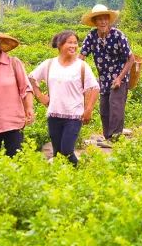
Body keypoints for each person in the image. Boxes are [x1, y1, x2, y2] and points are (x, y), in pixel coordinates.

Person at [28, 30, 99, 167]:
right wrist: (40, 96)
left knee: (66, 151)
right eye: (69, 43)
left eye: (75, 43)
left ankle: (81, 173)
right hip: (54, 114)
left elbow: (94, 88)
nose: (73, 46)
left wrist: (89, 109)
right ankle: (62, 180)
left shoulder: (82, 66)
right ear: (60, 45)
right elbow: (31, 78)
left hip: (74, 116)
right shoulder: (49, 64)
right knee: (57, 153)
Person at [79, 4, 135, 145]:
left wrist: (120, 78)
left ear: (109, 20)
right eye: (100, 19)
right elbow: (81, 57)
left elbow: (131, 59)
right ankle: (108, 137)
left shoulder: (118, 35)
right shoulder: (91, 36)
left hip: (119, 77)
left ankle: (114, 138)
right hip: (103, 79)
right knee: (104, 109)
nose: (103, 22)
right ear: (95, 22)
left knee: (116, 106)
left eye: (105, 19)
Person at [0, 30, 34, 156]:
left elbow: (26, 88)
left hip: (12, 122)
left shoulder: (13, 63)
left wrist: (29, 108)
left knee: (16, 160)